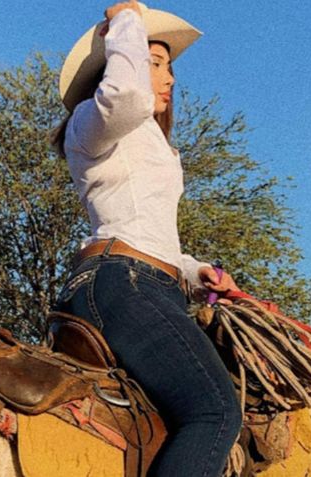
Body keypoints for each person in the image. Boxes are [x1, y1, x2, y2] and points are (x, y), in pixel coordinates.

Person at [51, 2, 243, 476]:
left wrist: (197, 274)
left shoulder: (148, 144)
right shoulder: (92, 123)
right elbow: (127, 96)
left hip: (142, 279)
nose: (169, 78)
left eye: (169, 68)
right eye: (154, 63)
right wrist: (128, 20)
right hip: (123, 281)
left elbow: (148, 236)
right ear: (117, 64)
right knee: (216, 411)